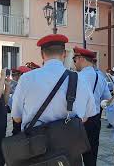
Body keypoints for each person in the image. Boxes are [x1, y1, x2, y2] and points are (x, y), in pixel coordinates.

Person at [11, 34, 97, 165]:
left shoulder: (26, 79)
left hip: (35, 151)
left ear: (42, 55)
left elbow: (16, 118)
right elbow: (86, 117)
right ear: (64, 55)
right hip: (68, 152)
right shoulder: (80, 80)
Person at [73, 47, 112, 166]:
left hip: (77, 120)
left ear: (81, 59)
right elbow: (107, 99)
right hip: (94, 120)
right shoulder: (100, 77)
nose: (74, 63)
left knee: (73, 155)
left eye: (75, 59)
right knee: (91, 155)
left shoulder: (76, 77)